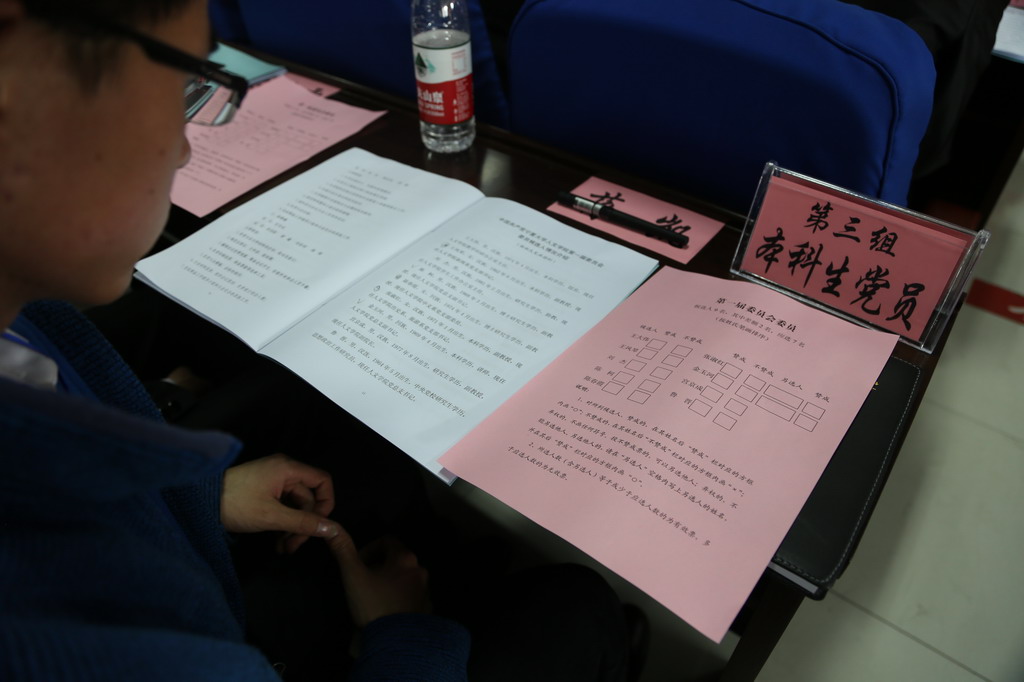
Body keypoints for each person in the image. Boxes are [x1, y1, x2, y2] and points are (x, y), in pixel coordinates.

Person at [0, 1, 640, 680]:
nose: (184, 148)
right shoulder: (69, 629)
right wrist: (402, 635)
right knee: (574, 605)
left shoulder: (26, 328)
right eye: (178, 91)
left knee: (360, 444)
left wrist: (203, 496)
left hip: (183, 536)